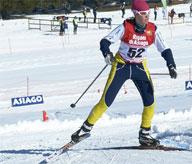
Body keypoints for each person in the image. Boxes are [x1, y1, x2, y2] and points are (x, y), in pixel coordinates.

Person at [71, 0, 177, 147]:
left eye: (148, 13)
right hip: (121, 66)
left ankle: (145, 135)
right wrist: (107, 54)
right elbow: (104, 42)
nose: (147, 17)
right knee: (106, 101)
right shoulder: (125, 27)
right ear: (135, 14)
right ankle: (84, 129)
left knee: (150, 101)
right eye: (144, 14)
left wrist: (171, 65)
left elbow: (165, 49)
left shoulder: (152, 30)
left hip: (140, 67)